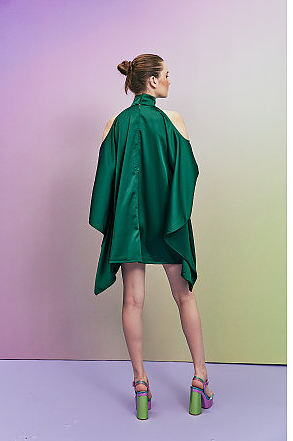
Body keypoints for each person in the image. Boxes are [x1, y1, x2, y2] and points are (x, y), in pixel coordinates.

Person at [89, 53, 214, 418]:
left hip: (130, 224)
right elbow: (187, 172)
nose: (170, 80)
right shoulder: (173, 120)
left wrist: (121, 219)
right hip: (167, 222)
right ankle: (200, 378)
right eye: (167, 74)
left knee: (132, 301)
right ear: (153, 81)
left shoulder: (115, 123)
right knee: (184, 296)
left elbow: (105, 180)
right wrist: (173, 213)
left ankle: (140, 383)